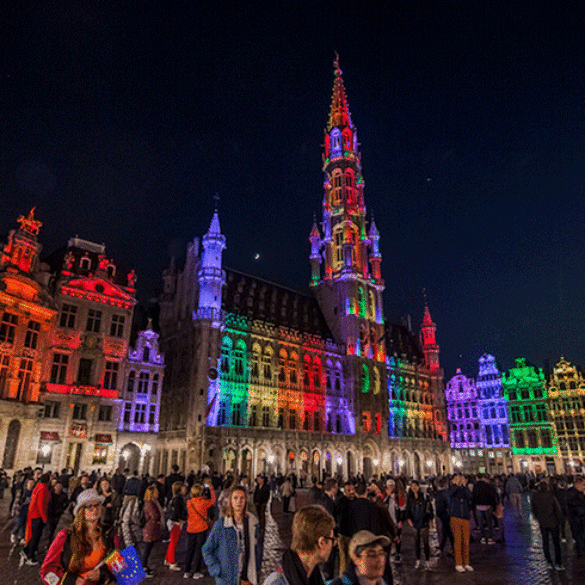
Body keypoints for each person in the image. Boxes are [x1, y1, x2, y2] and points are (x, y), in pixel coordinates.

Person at [40, 488, 114, 585]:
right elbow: (46, 571)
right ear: (81, 511)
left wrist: (102, 574)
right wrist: (72, 581)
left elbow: (117, 567)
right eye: (89, 507)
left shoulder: (108, 534)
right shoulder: (65, 536)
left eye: (97, 505)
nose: (95, 509)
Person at [263, 505, 335, 585]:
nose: (333, 544)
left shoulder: (315, 575)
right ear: (321, 543)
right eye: (332, 540)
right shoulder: (277, 582)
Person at [203, 485, 260, 585]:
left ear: (246, 500)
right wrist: (216, 569)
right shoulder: (221, 525)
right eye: (235, 498)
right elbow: (207, 549)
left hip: (247, 578)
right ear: (231, 501)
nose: (239, 501)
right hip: (226, 578)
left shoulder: (253, 523)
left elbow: (257, 549)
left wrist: (257, 569)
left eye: (242, 498)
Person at [184, 480, 216, 578]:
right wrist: (209, 487)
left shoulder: (189, 502)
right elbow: (212, 500)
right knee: (198, 550)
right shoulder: (203, 503)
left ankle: (187, 571)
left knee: (190, 550)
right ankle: (196, 571)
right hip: (201, 529)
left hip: (190, 529)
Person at [531, 481, 564, 570]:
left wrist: (538, 518)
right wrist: (561, 521)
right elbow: (558, 510)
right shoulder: (551, 497)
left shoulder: (535, 497)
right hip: (553, 522)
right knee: (556, 543)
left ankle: (549, 562)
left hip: (543, 523)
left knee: (545, 543)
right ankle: (558, 563)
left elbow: (533, 510)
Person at [22, 472, 51, 566]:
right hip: (38, 515)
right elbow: (41, 504)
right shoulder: (43, 488)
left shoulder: (38, 486)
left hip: (33, 514)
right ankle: (30, 556)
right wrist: (44, 517)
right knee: (35, 536)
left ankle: (26, 551)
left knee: (32, 535)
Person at [447, 474, 473, 573]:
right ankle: (458, 563)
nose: (459, 480)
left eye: (460, 478)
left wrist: (464, 486)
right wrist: (456, 485)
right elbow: (449, 494)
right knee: (458, 541)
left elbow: (470, 496)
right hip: (455, 517)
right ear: (453, 480)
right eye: (457, 479)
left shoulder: (464, 489)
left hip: (465, 517)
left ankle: (466, 563)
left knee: (466, 542)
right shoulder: (452, 488)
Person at [406, 480, 433, 570]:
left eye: (415, 486)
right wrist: (409, 520)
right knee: (416, 543)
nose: (414, 487)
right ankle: (418, 560)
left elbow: (430, 509)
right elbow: (408, 511)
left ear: (418, 487)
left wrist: (430, 520)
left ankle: (427, 561)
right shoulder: (410, 498)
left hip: (424, 522)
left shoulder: (424, 497)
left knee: (426, 543)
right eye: (412, 486)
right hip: (415, 522)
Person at [142, 484, 164, 578]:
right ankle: (143, 568)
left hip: (153, 528)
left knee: (149, 548)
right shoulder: (149, 503)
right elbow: (154, 515)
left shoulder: (153, 502)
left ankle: (146, 566)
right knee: (147, 548)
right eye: (156, 492)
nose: (158, 493)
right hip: (150, 528)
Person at [165, 481, 187, 571]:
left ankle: (168, 558)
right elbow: (177, 512)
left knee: (172, 542)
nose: (185, 489)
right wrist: (182, 519)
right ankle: (171, 562)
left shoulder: (174, 498)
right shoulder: (179, 499)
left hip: (173, 521)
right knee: (173, 543)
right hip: (175, 522)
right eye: (183, 488)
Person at [472, 474, 497, 544]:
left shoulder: (475, 486)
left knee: (481, 523)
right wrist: (493, 506)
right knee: (489, 523)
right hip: (487, 506)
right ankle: (490, 538)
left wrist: (473, 506)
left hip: (478, 506)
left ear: (477, 478)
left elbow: (473, 496)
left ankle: (482, 537)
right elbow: (491, 496)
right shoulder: (487, 485)